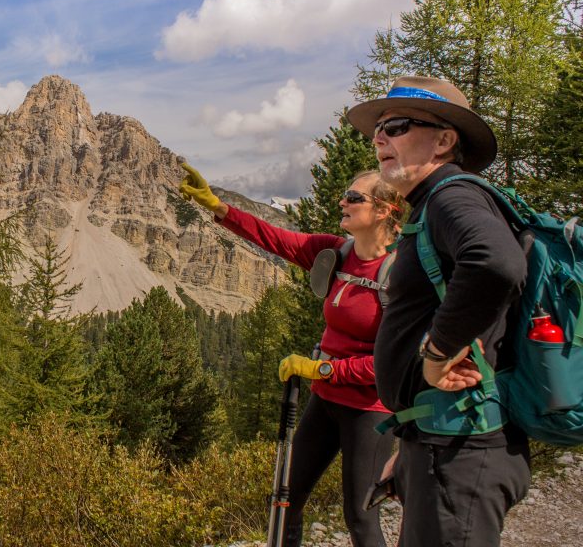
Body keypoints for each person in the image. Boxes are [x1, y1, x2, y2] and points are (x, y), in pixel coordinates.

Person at [347, 75, 530, 547]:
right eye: (378, 129)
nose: (379, 137)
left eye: (398, 126)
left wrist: (436, 352)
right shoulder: (432, 204)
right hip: (439, 439)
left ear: (445, 141)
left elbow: (495, 263)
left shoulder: (452, 195)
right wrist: (409, 443)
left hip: (462, 450)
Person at [180, 163, 403, 547]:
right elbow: (276, 239)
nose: (342, 201)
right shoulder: (337, 252)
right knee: (286, 500)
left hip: (370, 410)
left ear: (383, 211)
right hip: (326, 400)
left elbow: (392, 362)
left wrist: (326, 368)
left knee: (360, 516)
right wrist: (218, 207)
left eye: (353, 198)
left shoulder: (400, 273)